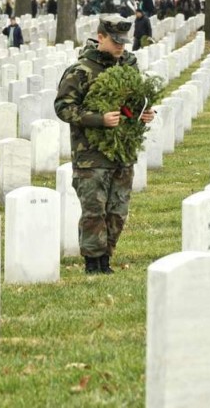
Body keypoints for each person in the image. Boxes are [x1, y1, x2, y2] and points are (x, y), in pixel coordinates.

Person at [54, 15, 155, 275]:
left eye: (124, 41)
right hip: (91, 154)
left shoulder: (128, 68)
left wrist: (144, 113)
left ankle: (106, 258)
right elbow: (64, 108)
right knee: (94, 210)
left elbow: (133, 103)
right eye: (115, 41)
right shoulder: (81, 71)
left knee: (117, 210)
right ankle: (92, 262)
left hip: (122, 151)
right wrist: (98, 120)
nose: (121, 46)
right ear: (100, 37)